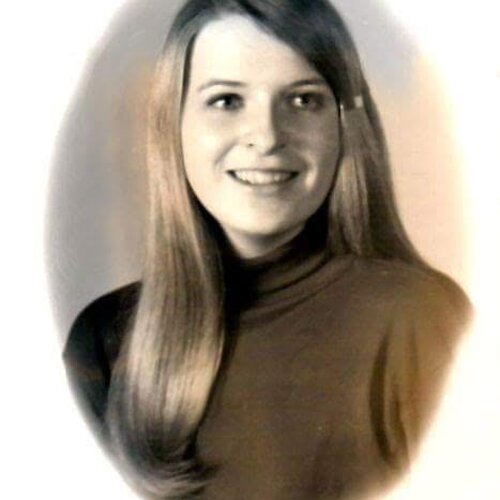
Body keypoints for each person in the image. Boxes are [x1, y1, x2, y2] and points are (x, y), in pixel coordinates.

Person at [63, 0, 472, 498]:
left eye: (302, 100)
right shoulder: (103, 341)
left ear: (345, 125)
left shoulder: (418, 319)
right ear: (175, 123)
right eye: (226, 101)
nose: (267, 137)